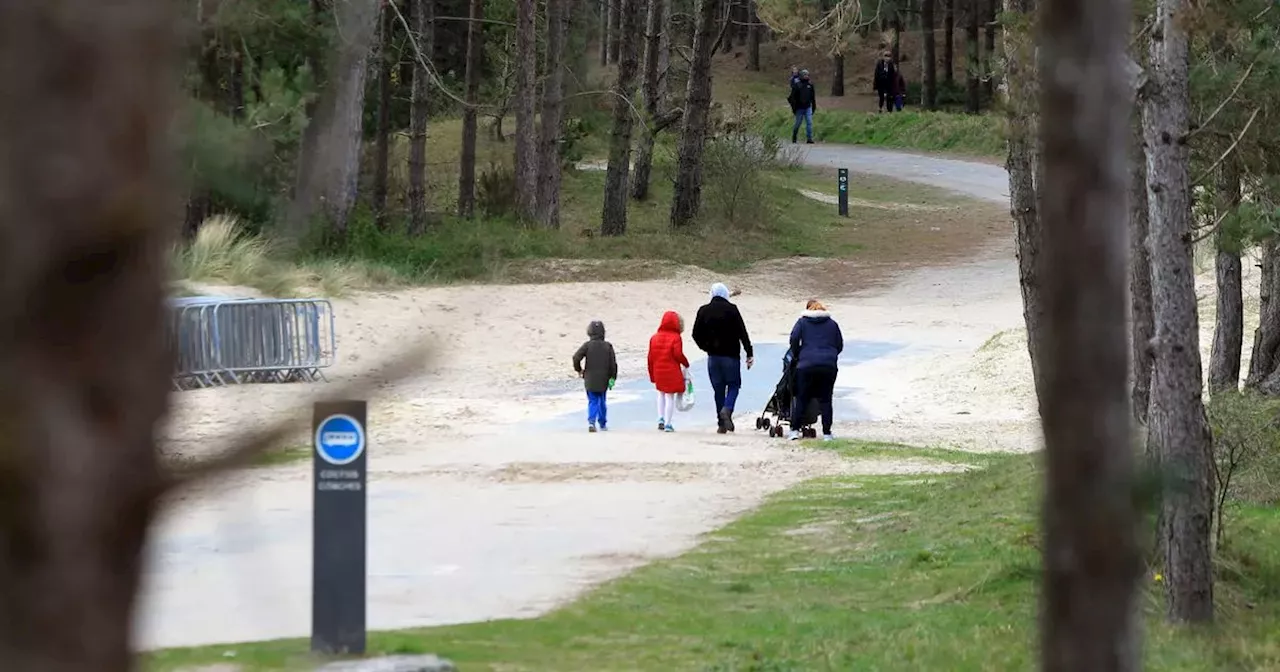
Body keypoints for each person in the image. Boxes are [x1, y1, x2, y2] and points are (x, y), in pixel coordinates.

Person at [692, 282, 754, 434]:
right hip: (731, 356)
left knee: (718, 389)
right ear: (726, 293)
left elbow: (695, 334)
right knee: (733, 385)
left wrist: (706, 347)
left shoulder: (703, 310)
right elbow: (742, 332)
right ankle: (727, 409)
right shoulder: (732, 310)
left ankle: (721, 425)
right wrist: (749, 352)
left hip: (713, 357)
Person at [787, 299, 843, 441]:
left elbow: (793, 338)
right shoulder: (832, 324)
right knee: (826, 399)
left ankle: (794, 431)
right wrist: (831, 355)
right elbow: (839, 344)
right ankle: (827, 433)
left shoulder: (802, 322)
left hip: (806, 365)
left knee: (802, 397)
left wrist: (798, 354)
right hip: (828, 366)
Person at [648, 311, 690, 432]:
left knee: (660, 393)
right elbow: (678, 354)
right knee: (669, 396)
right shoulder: (676, 338)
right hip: (671, 370)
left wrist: (652, 374)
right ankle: (668, 423)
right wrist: (686, 363)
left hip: (658, 370)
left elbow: (650, 358)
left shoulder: (654, 338)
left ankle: (660, 418)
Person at [572, 320, 618, 433]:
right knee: (602, 400)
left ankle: (591, 422)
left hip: (590, 378)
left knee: (592, 400)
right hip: (603, 378)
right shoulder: (608, 346)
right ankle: (602, 423)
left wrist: (579, 370)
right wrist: (613, 378)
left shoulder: (587, 345)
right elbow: (613, 364)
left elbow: (576, 357)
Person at [788, 69, 817, 144]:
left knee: (809, 122)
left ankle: (809, 138)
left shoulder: (810, 85)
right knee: (798, 123)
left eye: (807, 75)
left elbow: (813, 97)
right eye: (804, 75)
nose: (806, 76)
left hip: (808, 107)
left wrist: (813, 107)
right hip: (799, 108)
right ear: (801, 76)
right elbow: (792, 98)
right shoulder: (797, 85)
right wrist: (794, 108)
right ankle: (794, 136)